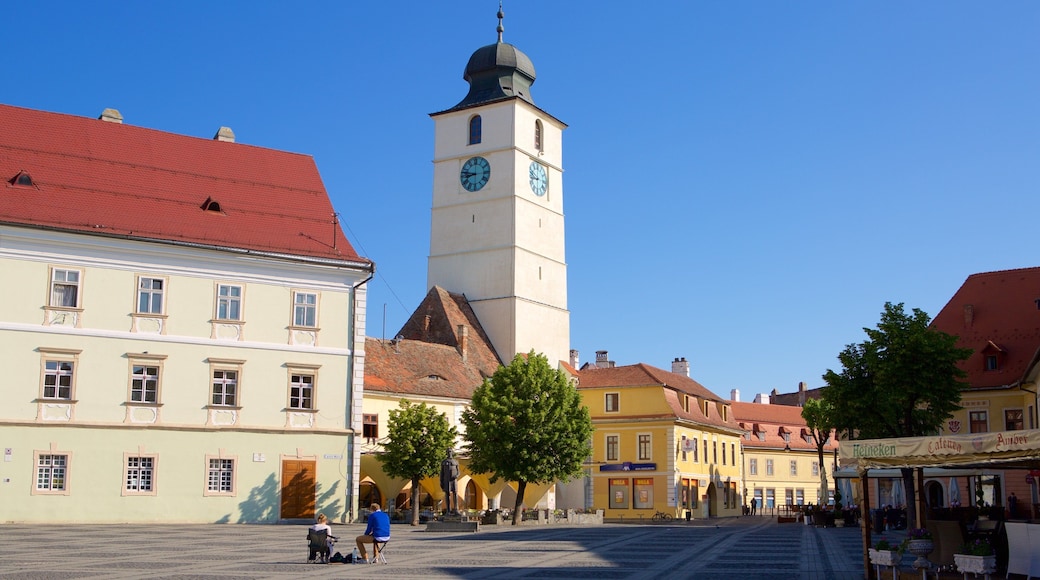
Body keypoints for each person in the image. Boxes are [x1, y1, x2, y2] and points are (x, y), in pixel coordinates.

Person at [440, 449, 460, 514]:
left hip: (454, 480)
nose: (449, 453)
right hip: (446, 480)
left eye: (450, 452)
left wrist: (456, 475)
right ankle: (448, 510)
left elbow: (458, 471)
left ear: (452, 453)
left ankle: (456, 509)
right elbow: (442, 473)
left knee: (455, 493)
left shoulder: (455, 461)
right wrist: (441, 481)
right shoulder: (444, 462)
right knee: (447, 494)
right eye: (448, 452)